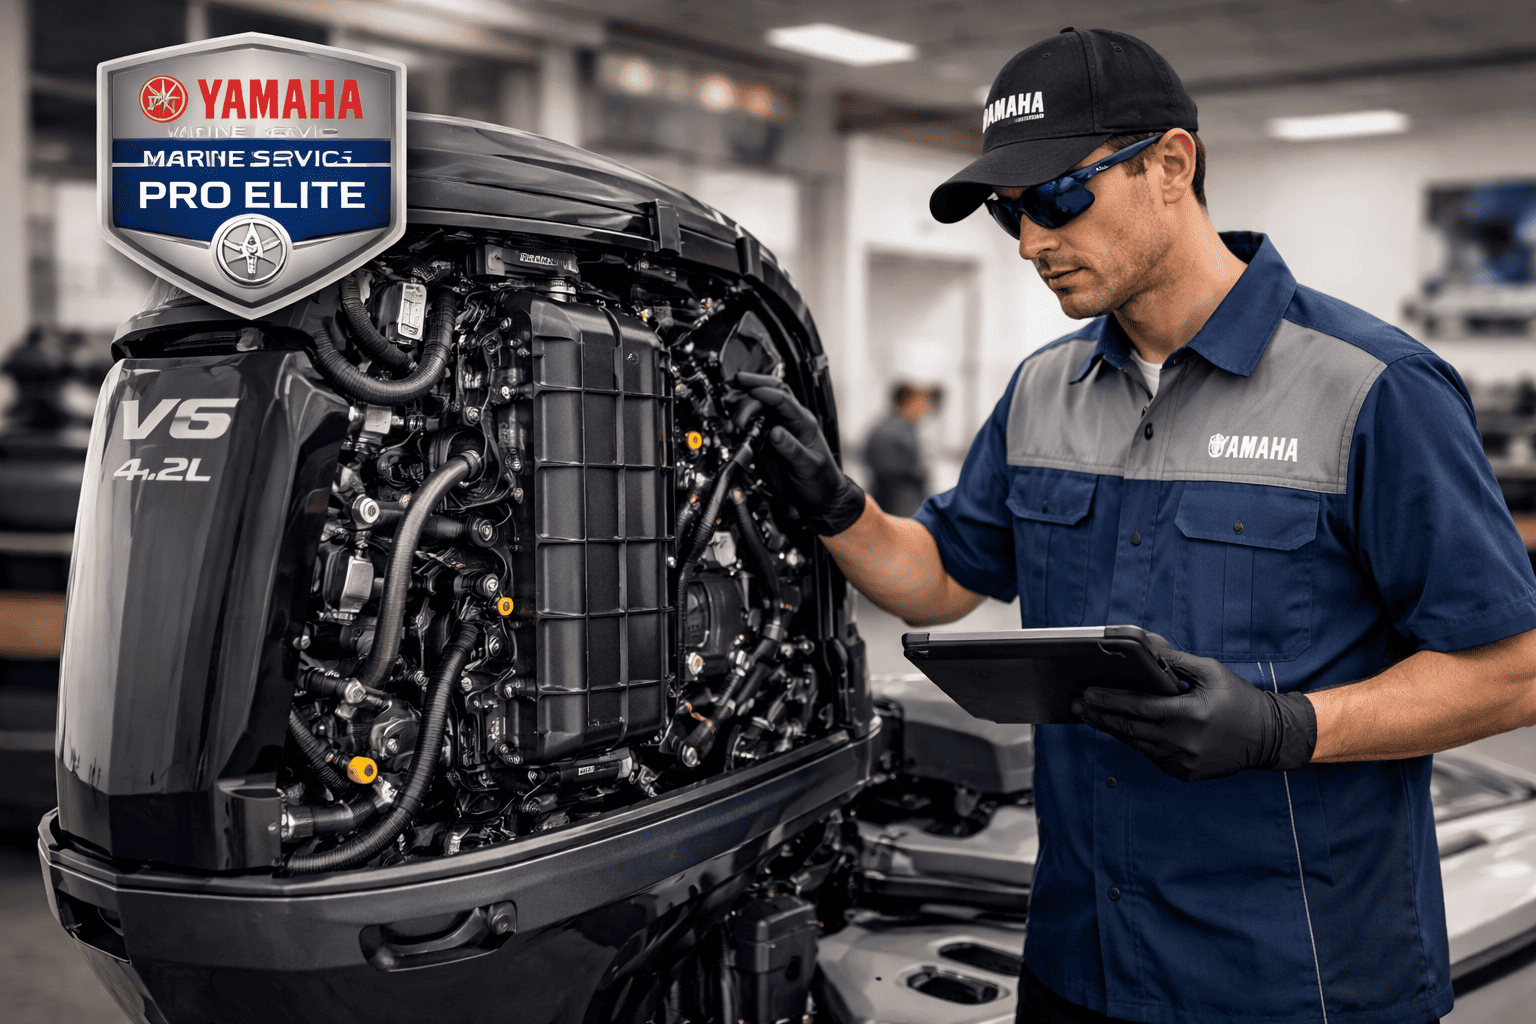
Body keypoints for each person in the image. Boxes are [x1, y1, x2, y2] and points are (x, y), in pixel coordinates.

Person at [736, 26, 1536, 1024]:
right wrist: (838, 507)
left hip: (1297, 979)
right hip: (1082, 959)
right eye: (1006, 213)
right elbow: (943, 573)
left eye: (1058, 198)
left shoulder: (1373, 388)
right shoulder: (1041, 393)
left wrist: (1287, 727)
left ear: (1170, 165)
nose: (1031, 241)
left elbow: (1513, 669)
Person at [863, 382, 939, 517]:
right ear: (907, 402)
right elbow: (886, 468)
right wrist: (917, 472)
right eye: (919, 402)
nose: (924, 407)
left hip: (904, 501)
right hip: (896, 503)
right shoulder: (888, 430)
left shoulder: (906, 427)